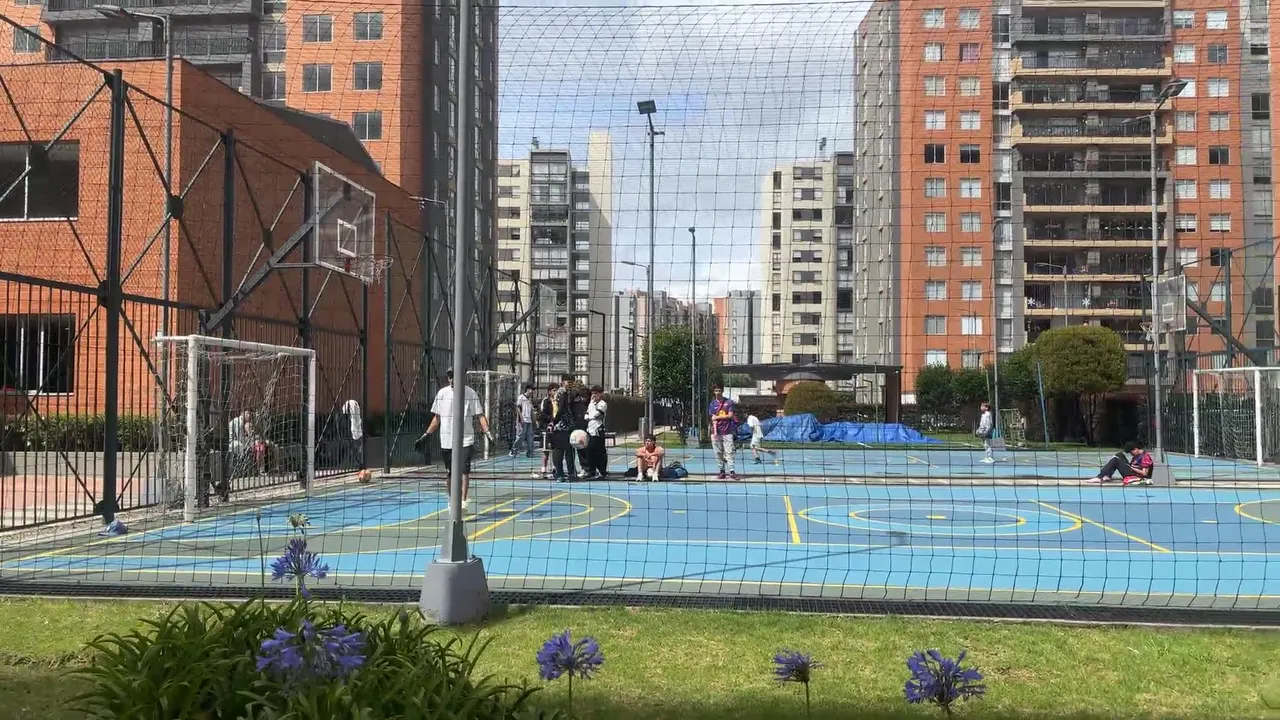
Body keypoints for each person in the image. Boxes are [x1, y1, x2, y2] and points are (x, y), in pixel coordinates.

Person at [419, 369, 490, 510]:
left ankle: (462, 501)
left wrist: (488, 432)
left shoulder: (470, 393)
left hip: (465, 439)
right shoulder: (442, 394)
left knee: (464, 470)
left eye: (454, 376)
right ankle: (451, 499)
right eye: (450, 377)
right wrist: (426, 435)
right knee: (450, 472)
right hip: (447, 439)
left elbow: (480, 415)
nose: (452, 379)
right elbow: (437, 418)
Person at [1087, 441, 1154, 486]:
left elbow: (1145, 473)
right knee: (1119, 455)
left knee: (1116, 460)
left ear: (1136, 449)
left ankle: (1099, 477)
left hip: (1136, 476)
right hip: (1132, 471)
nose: (1131, 454)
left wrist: (1133, 468)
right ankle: (1107, 475)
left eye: (1131, 452)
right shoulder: (1137, 456)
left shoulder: (1145, 457)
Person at [550, 374, 577, 482]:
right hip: (562, 426)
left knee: (563, 451)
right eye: (568, 382)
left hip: (563, 426)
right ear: (563, 382)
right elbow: (560, 409)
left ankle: (562, 474)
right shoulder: (562, 393)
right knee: (565, 452)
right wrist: (553, 422)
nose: (570, 384)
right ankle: (567, 474)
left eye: (571, 383)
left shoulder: (565, 393)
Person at [708, 385, 738, 479]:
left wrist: (718, 417)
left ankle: (732, 471)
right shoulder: (712, 404)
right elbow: (713, 419)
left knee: (729, 452)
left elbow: (730, 415)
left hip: (727, 431)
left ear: (722, 391)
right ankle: (722, 471)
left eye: (719, 390)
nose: (717, 393)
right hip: (716, 432)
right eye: (715, 391)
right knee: (718, 452)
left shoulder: (729, 402)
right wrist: (715, 432)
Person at [228, 410, 269, 475]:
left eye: (250, 414)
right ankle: (246, 471)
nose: (249, 416)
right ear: (242, 414)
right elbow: (240, 438)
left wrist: (256, 439)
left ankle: (261, 469)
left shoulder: (248, 422)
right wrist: (253, 441)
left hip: (248, 441)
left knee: (261, 447)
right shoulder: (238, 422)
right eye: (247, 413)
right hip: (236, 442)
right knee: (253, 449)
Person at [583, 385, 609, 479]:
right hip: (590, 429)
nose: (594, 395)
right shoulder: (591, 404)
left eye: (596, 393)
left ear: (601, 394)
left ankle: (602, 472)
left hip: (598, 429)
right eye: (592, 393)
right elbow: (586, 416)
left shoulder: (603, 404)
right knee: (589, 451)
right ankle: (592, 471)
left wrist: (590, 415)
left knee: (599, 451)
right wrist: (591, 405)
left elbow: (596, 415)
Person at [534, 382, 557, 478]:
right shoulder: (545, 401)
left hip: (557, 428)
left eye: (556, 390)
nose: (556, 392)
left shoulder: (559, 401)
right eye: (554, 390)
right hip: (546, 428)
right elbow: (542, 414)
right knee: (546, 449)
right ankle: (543, 469)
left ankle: (556, 468)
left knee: (556, 450)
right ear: (549, 391)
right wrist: (550, 421)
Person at [510, 384, 536, 459]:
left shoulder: (530, 399)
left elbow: (531, 411)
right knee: (520, 436)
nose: (532, 392)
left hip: (529, 420)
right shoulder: (521, 397)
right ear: (528, 390)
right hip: (523, 420)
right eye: (532, 390)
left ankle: (530, 452)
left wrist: (534, 420)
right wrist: (521, 418)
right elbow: (518, 408)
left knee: (530, 437)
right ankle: (514, 450)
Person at [342, 398, 364, 469]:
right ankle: (356, 462)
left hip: (355, 433)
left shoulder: (355, 417)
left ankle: (358, 462)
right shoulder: (347, 417)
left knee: (356, 447)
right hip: (352, 433)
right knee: (354, 447)